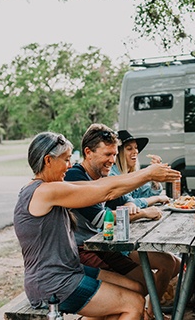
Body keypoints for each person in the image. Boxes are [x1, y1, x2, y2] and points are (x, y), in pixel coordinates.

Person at [14, 131, 180, 320]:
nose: (69, 166)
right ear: (48, 161)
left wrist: (147, 174)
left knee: (138, 287)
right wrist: (148, 174)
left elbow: (104, 184)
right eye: (66, 160)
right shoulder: (44, 191)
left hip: (71, 270)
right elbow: (108, 191)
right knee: (133, 304)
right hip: (53, 283)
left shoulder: (49, 187)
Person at [63, 124, 179, 319]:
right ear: (88, 152)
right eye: (107, 154)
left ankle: (145, 314)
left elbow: (126, 199)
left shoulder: (103, 176)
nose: (112, 160)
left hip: (106, 245)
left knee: (146, 282)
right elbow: (102, 219)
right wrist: (142, 213)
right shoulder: (74, 176)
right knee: (135, 293)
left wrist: (140, 202)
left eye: (114, 154)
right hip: (84, 249)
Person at [108, 130, 170, 208]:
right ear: (118, 153)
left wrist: (155, 179)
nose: (136, 151)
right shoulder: (113, 175)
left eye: (136, 148)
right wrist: (157, 198)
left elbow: (150, 194)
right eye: (129, 148)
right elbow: (128, 203)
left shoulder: (133, 172)